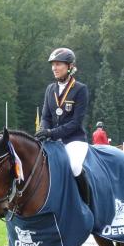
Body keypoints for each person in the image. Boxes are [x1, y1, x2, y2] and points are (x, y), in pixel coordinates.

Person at [35, 47, 90, 204]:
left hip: (74, 140)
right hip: (51, 140)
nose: (54, 68)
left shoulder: (80, 89)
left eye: (58, 64)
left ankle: (85, 204)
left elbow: (76, 122)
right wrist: (43, 131)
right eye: (53, 64)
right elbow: (45, 116)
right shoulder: (50, 89)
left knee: (74, 167)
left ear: (70, 67)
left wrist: (51, 133)